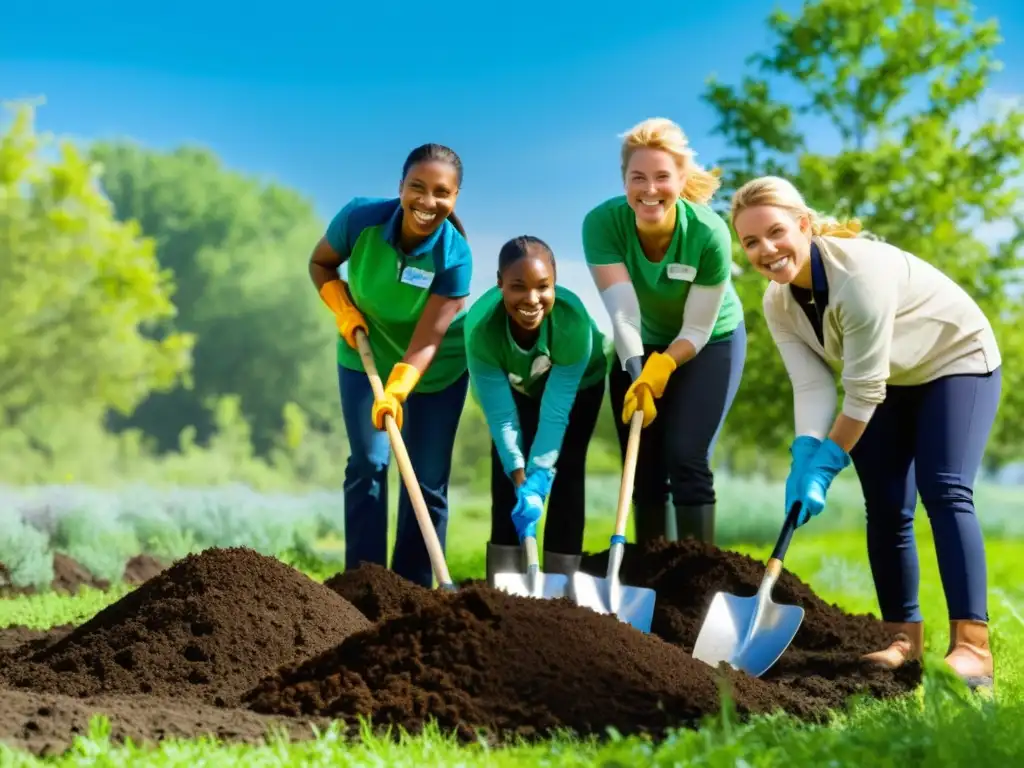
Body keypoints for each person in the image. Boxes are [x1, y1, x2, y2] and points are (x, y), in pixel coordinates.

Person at [730, 174, 1002, 691]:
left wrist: (829, 464)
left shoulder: (859, 277)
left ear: (804, 225)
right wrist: (804, 455)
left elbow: (862, 393)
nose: (766, 249)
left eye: (776, 232)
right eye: (751, 242)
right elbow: (811, 384)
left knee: (944, 488)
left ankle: (973, 648)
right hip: (887, 378)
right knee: (885, 502)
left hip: (954, 359)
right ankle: (903, 639)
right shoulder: (777, 303)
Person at [308, 143, 473, 589]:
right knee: (368, 462)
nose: (428, 201)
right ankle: (364, 585)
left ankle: (412, 591)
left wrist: (399, 389)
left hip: (435, 370)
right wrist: (341, 306)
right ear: (400, 187)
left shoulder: (455, 257)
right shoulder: (359, 219)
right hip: (364, 354)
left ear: (455, 197)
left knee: (425, 480)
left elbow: (428, 340)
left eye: (442, 192)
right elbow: (320, 263)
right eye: (417, 187)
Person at [581, 117, 747, 546]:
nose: (649, 189)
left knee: (686, 456)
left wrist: (665, 365)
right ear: (624, 180)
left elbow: (697, 326)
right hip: (637, 339)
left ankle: (698, 577)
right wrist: (639, 370)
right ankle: (649, 576)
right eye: (638, 178)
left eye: (661, 177)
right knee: (644, 463)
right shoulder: (602, 225)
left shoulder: (709, 234)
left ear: (681, 180)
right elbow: (623, 313)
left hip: (708, 342)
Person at [465, 235, 609, 584]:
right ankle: (505, 581)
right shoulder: (481, 330)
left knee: (567, 469)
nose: (532, 299)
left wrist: (540, 475)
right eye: (518, 286)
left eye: (543, 287)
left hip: (580, 383)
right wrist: (520, 476)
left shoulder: (572, 323)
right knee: (507, 473)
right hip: (516, 385)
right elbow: (501, 416)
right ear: (500, 284)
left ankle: (563, 582)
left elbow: (556, 413)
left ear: (555, 281)